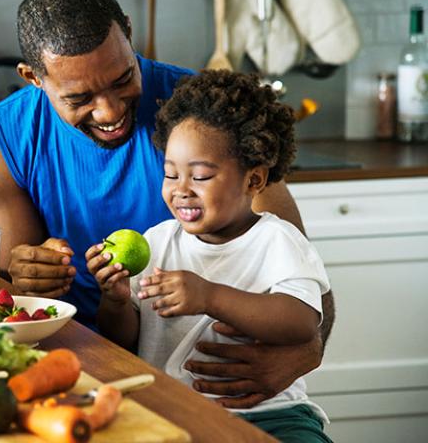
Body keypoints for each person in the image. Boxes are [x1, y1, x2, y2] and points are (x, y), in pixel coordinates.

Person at [0, 0, 335, 410]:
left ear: (128, 31)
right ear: (34, 77)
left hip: (212, 387)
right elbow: (15, 296)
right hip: (67, 368)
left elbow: (304, 275)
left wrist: (304, 354)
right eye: (79, 98)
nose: (109, 111)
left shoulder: (201, 117)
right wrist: (26, 271)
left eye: (123, 78)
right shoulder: (0, 137)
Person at [86, 70, 332, 442]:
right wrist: (116, 301)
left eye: (199, 177)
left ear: (253, 181)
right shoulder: (159, 242)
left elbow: (301, 322)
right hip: (171, 410)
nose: (181, 191)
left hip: (269, 414)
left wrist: (209, 296)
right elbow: (126, 340)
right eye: (171, 175)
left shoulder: (278, 241)